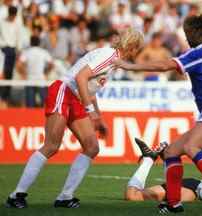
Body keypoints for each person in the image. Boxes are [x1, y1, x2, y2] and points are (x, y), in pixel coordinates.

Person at [113, 15, 202, 213]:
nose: (185, 38)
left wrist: (130, 66)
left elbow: (164, 65)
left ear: (191, 35)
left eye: (186, 35)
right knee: (171, 152)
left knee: (192, 146)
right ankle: (173, 203)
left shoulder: (196, 55)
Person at [6, 28, 144, 209]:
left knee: (92, 147)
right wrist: (91, 112)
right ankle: (16, 195)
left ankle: (65, 196)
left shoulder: (113, 60)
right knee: (52, 145)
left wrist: (98, 115)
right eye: (138, 49)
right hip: (64, 90)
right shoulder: (110, 56)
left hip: (75, 98)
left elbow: (89, 88)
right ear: (132, 46)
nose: (137, 53)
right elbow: (80, 77)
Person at [16, 36, 53, 107]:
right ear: (39, 43)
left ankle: (29, 118)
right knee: (45, 105)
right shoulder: (43, 52)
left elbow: (18, 65)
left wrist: (23, 74)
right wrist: (46, 73)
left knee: (30, 105)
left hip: (30, 79)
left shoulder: (27, 52)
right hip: (41, 79)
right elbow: (51, 64)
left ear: (30, 42)